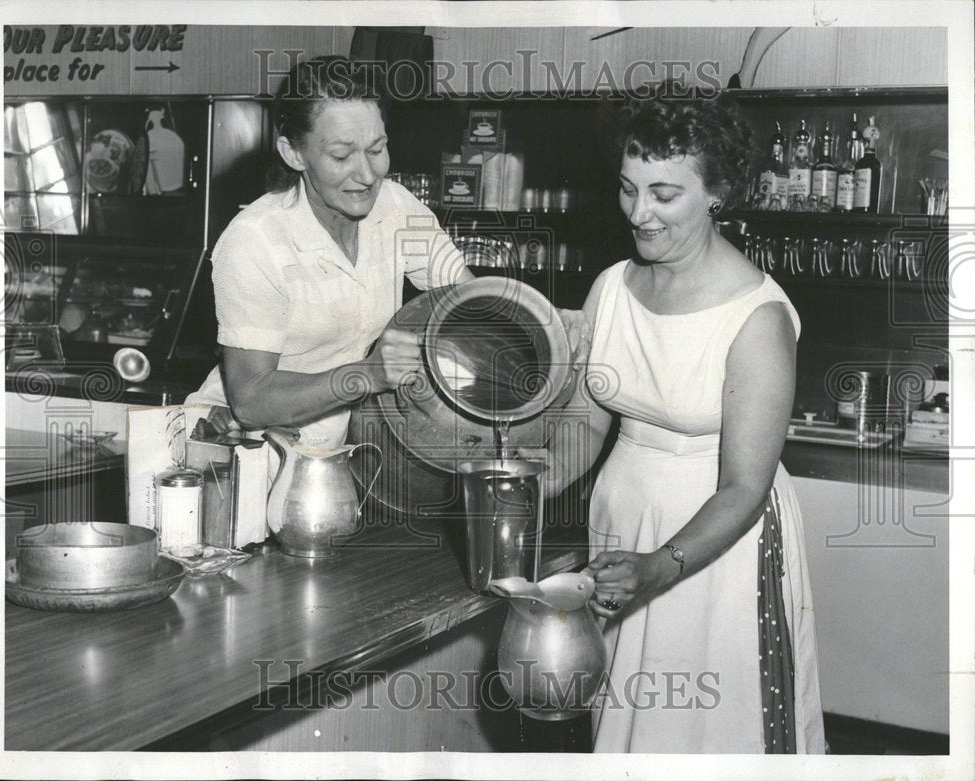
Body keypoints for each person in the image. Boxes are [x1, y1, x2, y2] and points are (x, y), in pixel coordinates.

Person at [537, 95, 825, 753]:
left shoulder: (757, 318)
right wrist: (515, 494)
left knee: (716, 722)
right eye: (628, 188)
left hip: (718, 537)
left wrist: (662, 566)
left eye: (664, 194)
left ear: (717, 193)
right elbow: (583, 424)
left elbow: (745, 487)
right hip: (624, 514)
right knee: (630, 713)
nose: (639, 212)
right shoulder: (612, 287)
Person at [187, 56, 475, 444]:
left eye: (377, 149)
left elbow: (470, 300)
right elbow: (251, 400)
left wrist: (542, 325)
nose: (368, 174)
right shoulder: (255, 240)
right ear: (293, 154)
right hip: (241, 447)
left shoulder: (396, 207)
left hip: (335, 446)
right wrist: (368, 374)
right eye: (341, 156)